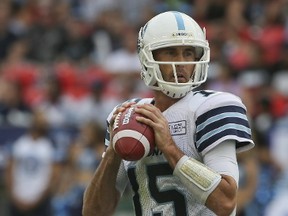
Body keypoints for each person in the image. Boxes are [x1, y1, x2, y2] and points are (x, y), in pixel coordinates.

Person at [82, 11, 254, 216]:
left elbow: (226, 203)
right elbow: (93, 212)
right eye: (171, 52)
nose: (181, 62)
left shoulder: (212, 107)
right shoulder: (130, 116)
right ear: (148, 57)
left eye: (188, 53)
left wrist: (170, 148)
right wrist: (112, 153)